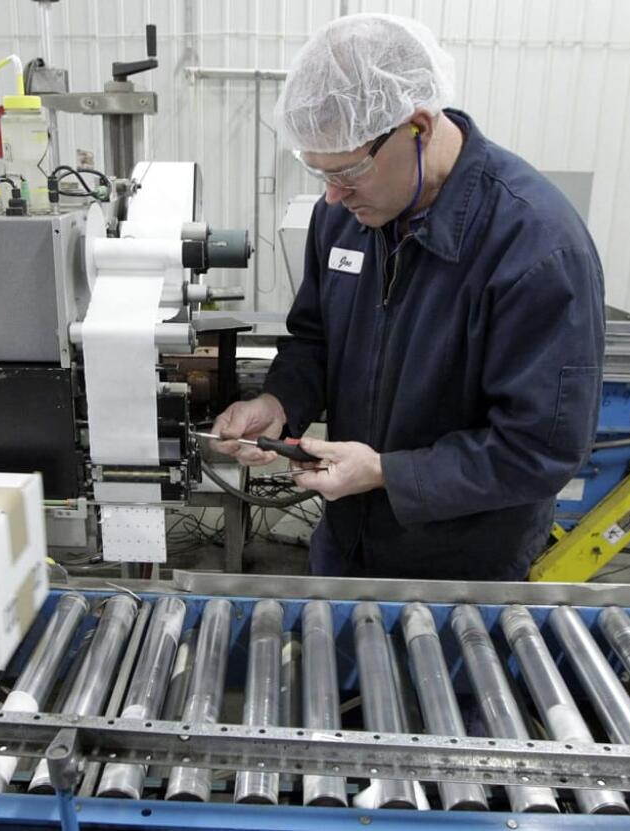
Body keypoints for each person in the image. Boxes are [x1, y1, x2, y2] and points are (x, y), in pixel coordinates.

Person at [211, 13, 605, 581]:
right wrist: (279, 404)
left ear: (418, 126)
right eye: (319, 172)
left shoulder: (537, 248)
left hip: (461, 565)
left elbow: (540, 449)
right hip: (346, 540)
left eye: (348, 172)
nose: (332, 196)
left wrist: (389, 474)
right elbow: (317, 339)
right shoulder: (344, 219)